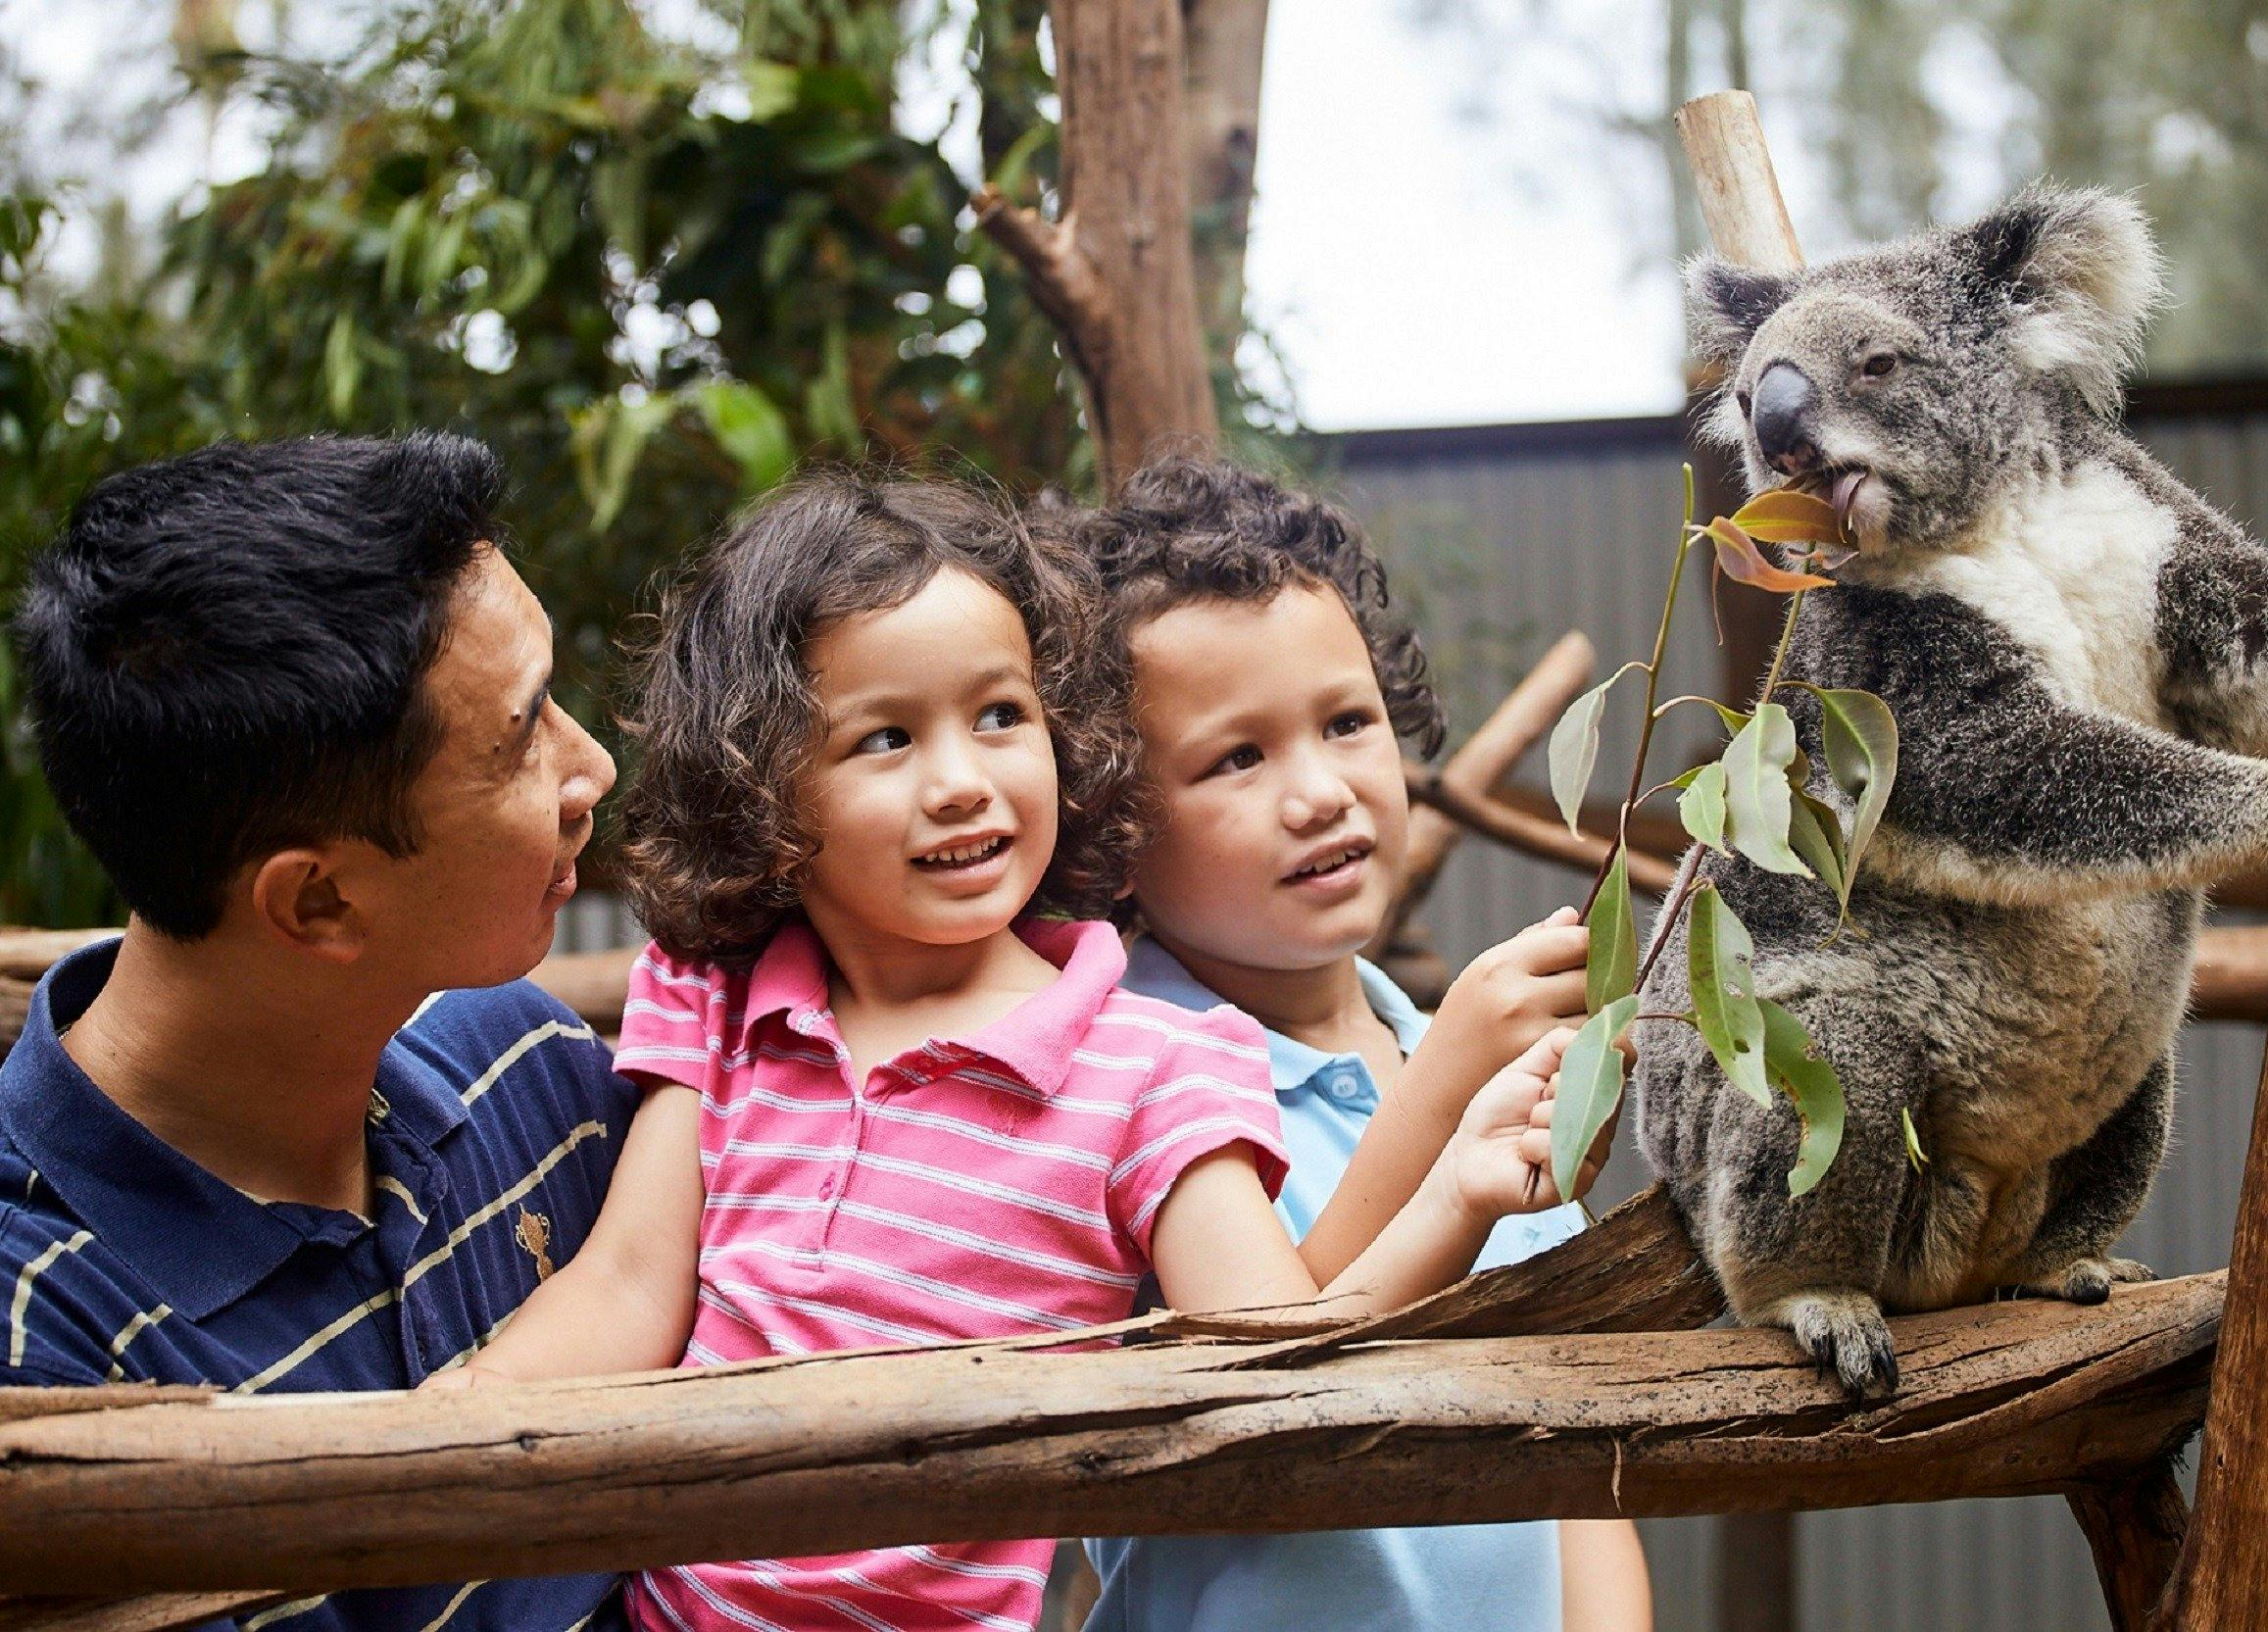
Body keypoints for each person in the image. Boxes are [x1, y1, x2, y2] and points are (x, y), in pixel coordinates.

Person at [436, 471, 1600, 1632]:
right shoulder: (720, 1003)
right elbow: (632, 1284)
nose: (962, 782)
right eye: (886, 738)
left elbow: (1265, 1364)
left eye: (1001, 716)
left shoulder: (1150, 1067)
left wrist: (1455, 1194)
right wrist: (443, 1418)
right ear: (762, 786)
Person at [0, 433, 632, 1631]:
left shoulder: (529, 1069)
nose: (589, 766)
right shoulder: (43, 1343)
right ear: (321, 901)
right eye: (522, 738)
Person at [1068, 456, 1655, 1632]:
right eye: (1239, 757)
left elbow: (1582, 1464)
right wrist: (1444, 1090)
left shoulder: (1481, 1064)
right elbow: (1264, 1384)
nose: (1321, 792)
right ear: (1109, 821)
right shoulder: (1111, 1071)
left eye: (1347, 723)